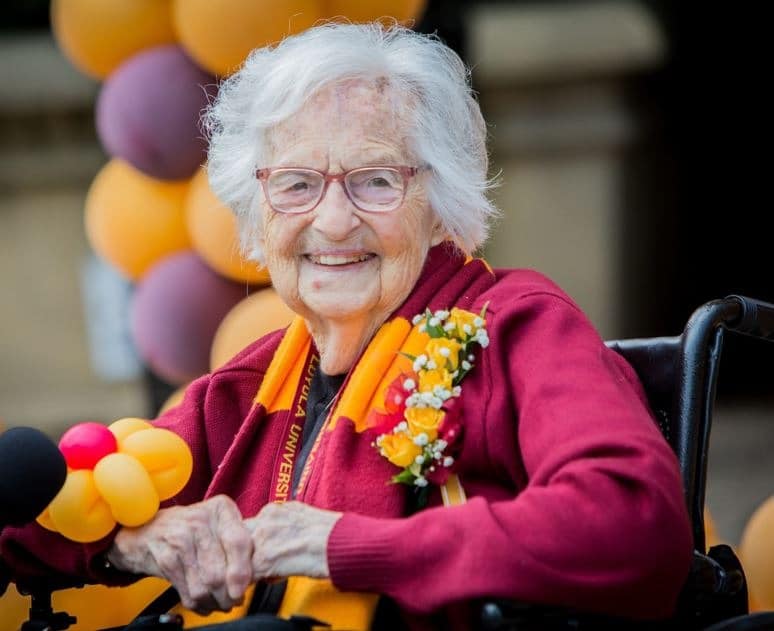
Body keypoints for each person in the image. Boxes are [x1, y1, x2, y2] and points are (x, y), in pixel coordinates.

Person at [0, 21, 692, 630]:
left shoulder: (516, 326)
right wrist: (137, 537)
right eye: (297, 185)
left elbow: (633, 522)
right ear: (258, 212)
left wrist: (342, 544)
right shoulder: (247, 389)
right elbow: (28, 521)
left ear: (441, 201)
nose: (332, 220)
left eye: (376, 180)